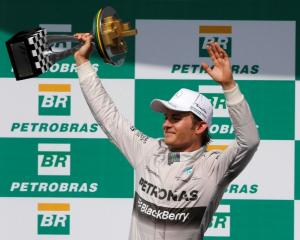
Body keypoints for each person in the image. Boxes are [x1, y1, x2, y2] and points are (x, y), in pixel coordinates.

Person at [74, 33, 260, 240]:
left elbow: (249, 140)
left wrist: (229, 87)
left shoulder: (215, 168)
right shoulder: (147, 150)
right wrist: (83, 63)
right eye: (166, 117)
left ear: (200, 127)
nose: (166, 124)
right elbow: (108, 116)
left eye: (176, 118)